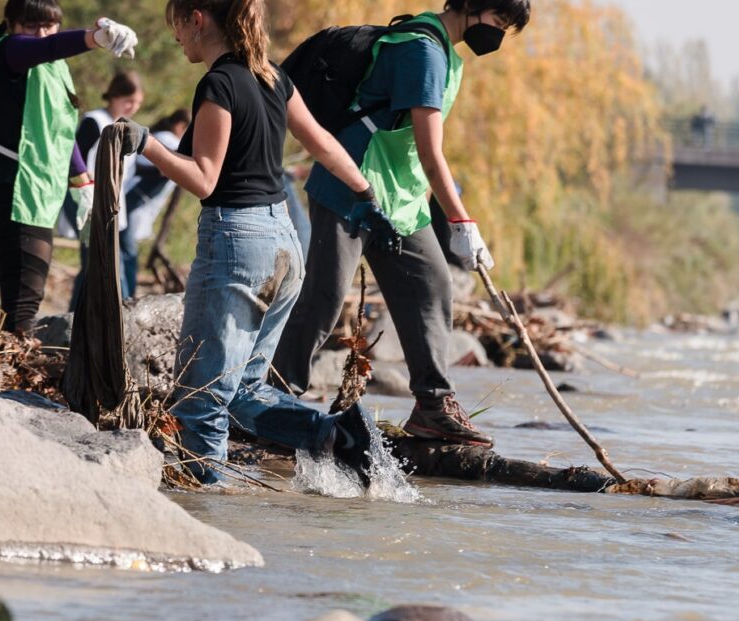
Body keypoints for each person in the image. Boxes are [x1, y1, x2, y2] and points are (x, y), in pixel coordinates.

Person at [119, 0, 401, 486]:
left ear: (198, 19)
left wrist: (147, 144)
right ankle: (335, 435)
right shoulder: (272, 77)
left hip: (238, 243)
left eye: (177, 26)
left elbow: (205, 179)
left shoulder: (218, 84)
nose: (176, 38)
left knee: (201, 396)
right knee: (246, 389)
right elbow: (325, 145)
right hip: (286, 246)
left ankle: (205, 513)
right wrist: (367, 193)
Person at [272, 0, 531, 449]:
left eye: (507, 27)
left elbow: (414, 150)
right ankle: (271, 399)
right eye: (499, 21)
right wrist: (463, 221)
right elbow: (432, 153)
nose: (499, 34)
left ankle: (433, 406)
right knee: (323, 300)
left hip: (403, 198)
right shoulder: (422, 50)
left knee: (432, 285)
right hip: (353, 186)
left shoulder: (449, 56)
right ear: (471, 5)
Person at [0, 0, 138, 335]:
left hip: (30, 195)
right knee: (23, 307)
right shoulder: (10, 51)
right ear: (13, 25)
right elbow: (43, 47)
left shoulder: (53, 66)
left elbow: (60, 128)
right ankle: (12, 380)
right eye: (31, 25)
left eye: (49, 25)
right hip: (13, 192)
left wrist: (83, 182)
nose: (41, 34)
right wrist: (95, 38)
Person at [66, 70, 144, 309]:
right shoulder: (95, 121)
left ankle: (92, 317)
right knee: (95, 261)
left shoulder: (127, 127)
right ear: (113, 96)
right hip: (87, 198)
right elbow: (72, 157)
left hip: (112, 203)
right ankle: (76, 318)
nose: (132, 107)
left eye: (137, 103)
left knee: (103, 262)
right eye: (127, 101)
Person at [120, 107, 190, 297]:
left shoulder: (160, 136)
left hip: (134, 201)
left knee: (126, 250)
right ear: (181, 126)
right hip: (132, 201)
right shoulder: (169, 139)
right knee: (127, 252)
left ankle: (126, 296)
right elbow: (167, 168)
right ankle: (125, 298)